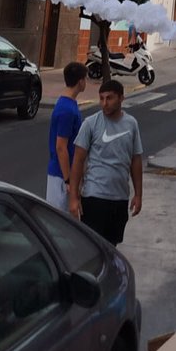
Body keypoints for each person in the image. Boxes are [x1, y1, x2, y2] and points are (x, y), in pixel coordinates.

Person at [70, 79, 143, 246]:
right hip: (94, 197)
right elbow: (78, 160)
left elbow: (135, 159)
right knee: (93, 248)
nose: (104, 103)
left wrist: (138, 195)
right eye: (101, 98)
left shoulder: (131, 124)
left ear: (121, 98)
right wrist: (73, 198)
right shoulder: (90, 123)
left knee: (111, 247)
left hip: (120, 198)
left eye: (109, 98)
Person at [46, 61, 87, 210]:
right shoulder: (67, 110)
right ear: (80, 81)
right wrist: (68, 180)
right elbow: (61, 147)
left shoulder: (68, 104)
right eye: (85, 79)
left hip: (63, 174)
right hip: (61, 176)